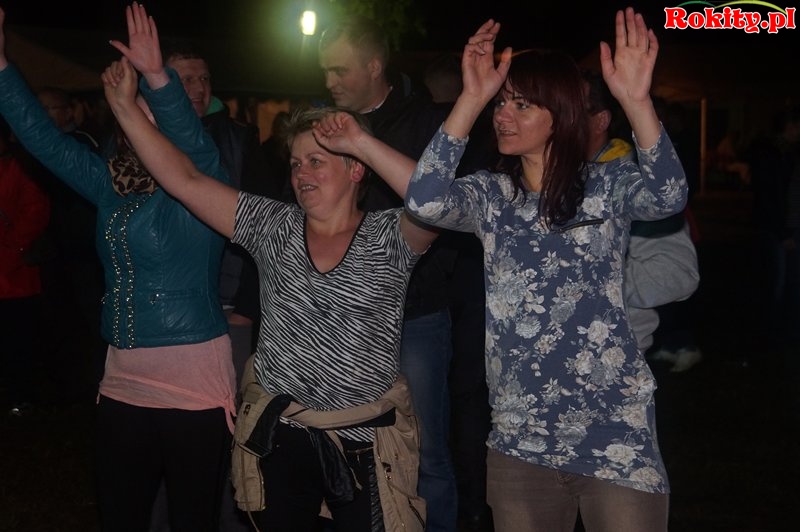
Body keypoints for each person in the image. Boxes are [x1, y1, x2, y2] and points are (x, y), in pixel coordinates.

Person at [103, 19, 439, 521]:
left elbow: (437, 201)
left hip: (364, 443)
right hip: (282, 437)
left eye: (317, 161)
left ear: (355, 168)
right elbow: (186, 180)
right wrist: (127, 110)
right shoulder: (272, 225)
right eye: (296, 163)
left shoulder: (392, 234)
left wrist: (361, 141)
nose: (302, 173)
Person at [404, 9, 688, 532]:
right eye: (502, 103)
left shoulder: (606, 186)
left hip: (614, 436)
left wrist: (636, 101)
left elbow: (669, 195)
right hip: (520, 443)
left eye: (522, 104)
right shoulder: (492, 196)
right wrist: (471, 98)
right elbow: (424, 201)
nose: (503, 115)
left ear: (561, 113)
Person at [0, 4, 236, 531]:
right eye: (132, 112)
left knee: (192, 520)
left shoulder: (202, 182)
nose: (139, 120)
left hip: (192, 377)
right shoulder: (110, 184)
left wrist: (157, 76)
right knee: (119, 515)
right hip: (124, 377)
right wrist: (1, 67)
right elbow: (43, 140)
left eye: (152, 113)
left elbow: (190, 140)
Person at [319, 17, 475, 531]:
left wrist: (433, 272)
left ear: (374, 66)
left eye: (339, 70)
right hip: (349, 314)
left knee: (426, 448)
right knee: (352, 442)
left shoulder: (424, 122)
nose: (330, 82)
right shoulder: (325, 125)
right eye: (324, 72)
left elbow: (449, 204)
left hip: (415, 313)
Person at [583, 69, 699, 356]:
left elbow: (679, 274)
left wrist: (589, 276)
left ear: (600, 121)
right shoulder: (547, 179)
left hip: (614, 357)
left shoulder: (635, 187)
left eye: (567, 110)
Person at [0, 116, 50, 417]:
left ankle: (21, 395)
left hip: (14, 275)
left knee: (17, 338)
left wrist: (13, 246)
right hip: (10, 269)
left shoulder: (19, 167)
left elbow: (36, 209)